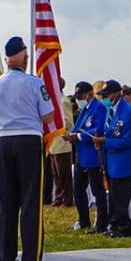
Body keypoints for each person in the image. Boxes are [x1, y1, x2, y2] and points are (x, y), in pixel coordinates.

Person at [0, 36, 54, 261]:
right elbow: (48, 116)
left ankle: (5, 256)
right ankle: (31, 257)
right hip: (28, 141)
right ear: (24, 57)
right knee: (30, 200)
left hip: (4, 141)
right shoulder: (34, 83)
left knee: (7, 201)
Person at [92, 80, 131, 237]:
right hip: (112, 162)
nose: (106, 98)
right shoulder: (110, 110)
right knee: (113, 195)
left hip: (123, 162)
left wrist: (106, 141)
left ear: (117, 93)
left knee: (120, 196)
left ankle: (124, 226)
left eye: (108, 95)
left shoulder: (127, 112)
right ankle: (114, 224)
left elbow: (128, 140)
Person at [64, 81, 108, 233]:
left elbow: (97, 130)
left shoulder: (99, 108)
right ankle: (83, 220)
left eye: (80, 96)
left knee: (97, 190)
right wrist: (70, 135)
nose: (78, 99)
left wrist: (79, 137)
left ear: (88, 94)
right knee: (78, 190)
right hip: (81, 156)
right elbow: (78, 127)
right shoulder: (84, 110)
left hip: (93, 155)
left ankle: (101, 224)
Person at [49, 78, 74, 207]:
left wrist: (55, 123)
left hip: (62, 142)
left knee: (64, 174)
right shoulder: (54, 102)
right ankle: (58, 197)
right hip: (54, 143)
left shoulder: (63, 102)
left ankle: (67, 199)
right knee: (56, 174)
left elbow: (68, 123)